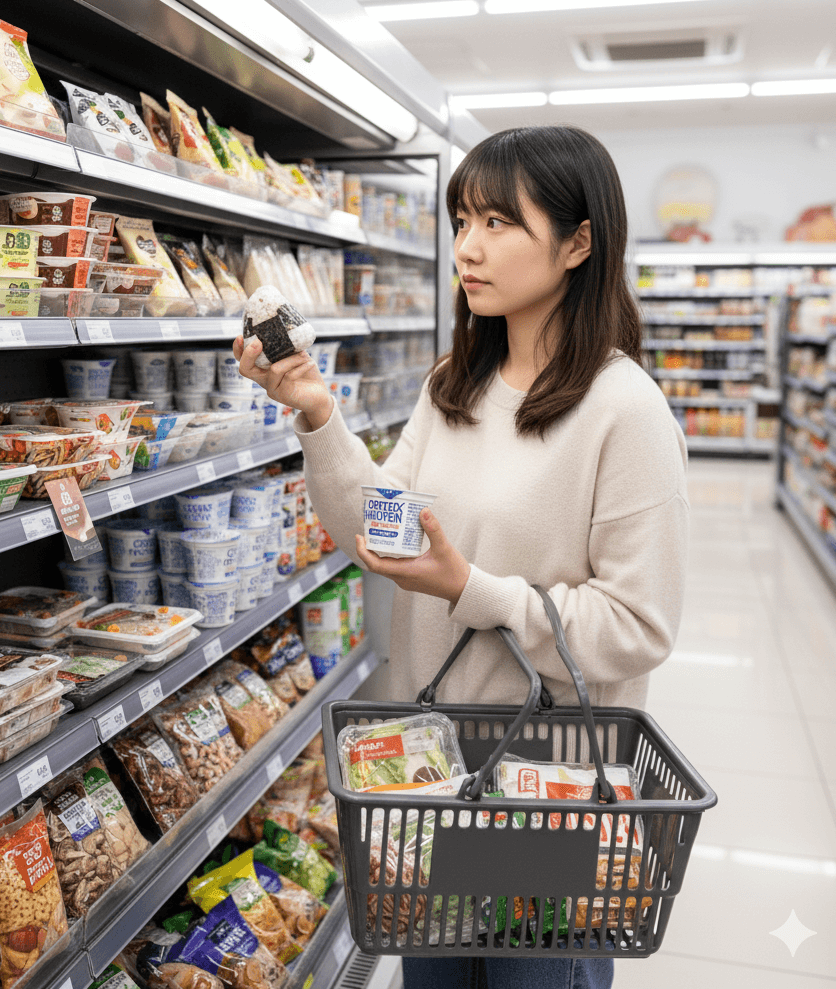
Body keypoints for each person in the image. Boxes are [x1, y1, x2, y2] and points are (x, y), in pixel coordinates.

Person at [233, 125, 688, 989]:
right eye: (461, 221)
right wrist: (317, 414)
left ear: (579, 242)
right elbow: (379, 530)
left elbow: (639, 627)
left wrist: (473, 589)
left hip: (549, 791)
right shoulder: (456, 388)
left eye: (498, 222)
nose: (467, 249)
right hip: (430, 775)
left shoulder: (626, 413)